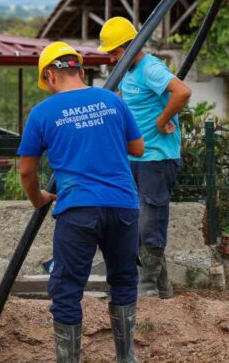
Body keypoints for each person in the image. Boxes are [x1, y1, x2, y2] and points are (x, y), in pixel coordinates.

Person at [18, 41, 144, 363]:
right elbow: (138, 148)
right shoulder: (112, 101)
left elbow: (27, 171)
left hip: (78, 210)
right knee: (124, 280)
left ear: (49, 75)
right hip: (123, 205)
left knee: (67, 290)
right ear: (80, 69)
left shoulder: (43, 112)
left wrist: (39, 199)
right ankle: (126, 357)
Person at [98, 17, 192, 299]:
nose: (111, 58)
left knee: (150, 219)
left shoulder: (150, 67)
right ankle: (161, 288)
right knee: (134, 219)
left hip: (157, 158)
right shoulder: (128, 72)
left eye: (114, 52)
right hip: (136, 157)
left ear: (129, 47)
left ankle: (148, 286)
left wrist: (163, 120)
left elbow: (182, 91)